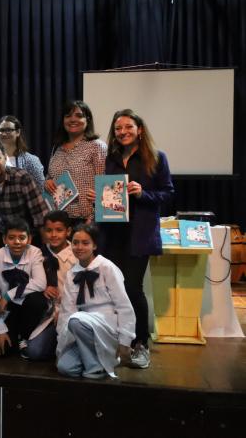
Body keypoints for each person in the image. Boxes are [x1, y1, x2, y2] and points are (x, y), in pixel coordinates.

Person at [88, 109, 174, 369]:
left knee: (133, 289)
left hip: (139, 234)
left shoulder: (156, 158)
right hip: (111, 234)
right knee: (112, 288)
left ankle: (141, 344)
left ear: (140, 129)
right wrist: (99, 200)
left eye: (128, 127)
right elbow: (111, 197)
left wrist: (142, 193)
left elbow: (168, 193)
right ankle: (118, 340)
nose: (122, 132)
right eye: (117, 129)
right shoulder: (111, 159)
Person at [57, 224, 135, 380]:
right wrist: (62, 346)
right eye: (75, 242)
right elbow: (67, 311)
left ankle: (96, 367)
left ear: (95, 245)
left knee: (76, 320)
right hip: (82, 328)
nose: (79, 247)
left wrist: (125, 340)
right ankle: (98, 359)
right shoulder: (72, 273)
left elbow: (123, 305)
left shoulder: (107, 267)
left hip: (107, 326)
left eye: (85, 243)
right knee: (65, 367)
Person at [0, 218, 48, 358]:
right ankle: (12, 335)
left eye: (22, 238)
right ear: (4, 239)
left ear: (29, 239)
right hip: (5, 310)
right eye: (12, 238)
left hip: (26, 308)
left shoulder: (35, 252)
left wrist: (8, 295)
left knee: (38, 300)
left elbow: (40, 283)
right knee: (3, 352)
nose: (17, 242)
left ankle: (25, 336)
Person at [23, 210, 77, 360]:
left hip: (69, 312)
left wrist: (65, 312)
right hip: (46, 314)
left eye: (59, 230)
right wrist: (42, 288)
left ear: (68, 231)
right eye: (49, 230)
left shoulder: (76, 255)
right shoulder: (37, 254)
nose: (53, 235)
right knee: (34, 352)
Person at [0, 140, 49, 249]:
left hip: (30, 235)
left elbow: (39, 213)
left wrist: (46, 247)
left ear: (5, 158)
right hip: (5, 235)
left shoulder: (22, 177)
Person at [45, 100, 107, 226]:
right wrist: (47, 182)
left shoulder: (96, 146)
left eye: (79, 115)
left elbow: (105, 185)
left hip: (87, 221)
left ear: (87, 120)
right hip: (59, 221)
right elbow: (50, 177)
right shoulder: (57, 148)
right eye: (68, 116)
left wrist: (94, 219)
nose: (73, 119)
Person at [0, 115, 45, 189]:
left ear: (18, 132)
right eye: (1, 130)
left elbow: (40, 189)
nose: (4, 134)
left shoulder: (31, 161)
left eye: (9, 130)